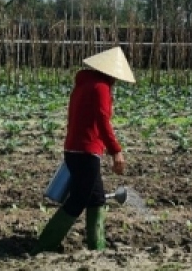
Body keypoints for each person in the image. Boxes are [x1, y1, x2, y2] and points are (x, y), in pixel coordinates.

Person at [37, 46, 135, 253]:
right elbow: (102, 121)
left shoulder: (83, 85)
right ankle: (44, 245)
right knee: (79, 199)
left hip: (74, 149)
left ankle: (97, 246)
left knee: (97, 197)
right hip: (87, 151)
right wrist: (116, 150)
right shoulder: (100, 87)